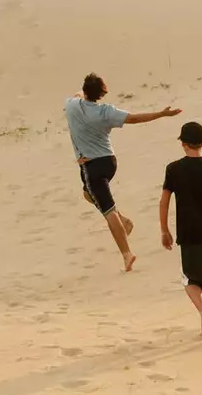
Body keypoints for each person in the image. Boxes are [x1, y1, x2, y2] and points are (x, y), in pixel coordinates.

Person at [65, 73, 181, 271]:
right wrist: (161, 114)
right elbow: (134, 118)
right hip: (109, 162)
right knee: (88, 194)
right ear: (101, 94)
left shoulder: (72, 106)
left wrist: (81, 93)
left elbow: (76, 95)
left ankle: (126, 253)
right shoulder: (106, 111)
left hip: (91, 166)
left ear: (85, 91)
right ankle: (123, 220)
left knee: (107, 209)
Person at [160, 121, 202, 340]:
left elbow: (164, 202)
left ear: (183, 143)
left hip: (187, 230)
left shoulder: (173, 169)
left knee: (190, 278)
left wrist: (164, 230)